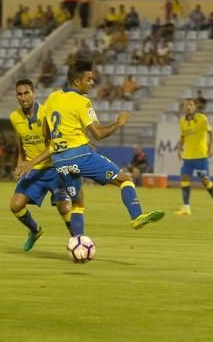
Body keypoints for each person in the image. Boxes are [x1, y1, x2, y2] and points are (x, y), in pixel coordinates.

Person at [18, 60, 164, 231]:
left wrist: (68, 140)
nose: (92, 82)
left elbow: (45, 133)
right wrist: (119, 122)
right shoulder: (82, 102)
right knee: (125, 179)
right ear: (77, 82)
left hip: (60, 162)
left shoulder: (52, 98)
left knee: (78, 204)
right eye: (89, 79)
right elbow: (99, 133)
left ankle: (78, 242)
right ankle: (137, 216)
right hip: (80, 156)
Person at [9, 79, 80, 251]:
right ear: (16, 96)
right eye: (19, 94)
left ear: (33, 93)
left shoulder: (47, 113)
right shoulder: (14, 117)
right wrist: (20, 165)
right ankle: (35, 231)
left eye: (26, 93)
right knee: (16, 206)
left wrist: (30, 163)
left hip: (55, 168)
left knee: (64, 208)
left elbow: (54, 145)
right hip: (33, 171)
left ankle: (79, 243)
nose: (23, 97)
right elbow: (21, 145)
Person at [174, 98, 213, 216]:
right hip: (188, 156)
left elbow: (210, 133)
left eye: (191, 105)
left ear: (195, 106)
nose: (188, 107)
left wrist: (210, 148)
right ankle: (186, 207)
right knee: (185, 178)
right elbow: (183, 136)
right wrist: (179, 148)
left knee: (204, 180)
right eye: (186, 105)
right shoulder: (182, 121)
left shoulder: (202, 119)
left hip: (201, 154)